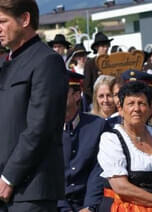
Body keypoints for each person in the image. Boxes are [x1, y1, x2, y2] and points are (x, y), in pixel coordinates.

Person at [0, 0, 68, 211]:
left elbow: (39, 128)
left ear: (25, 19)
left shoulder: (47, 62)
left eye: (2, 21)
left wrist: (9, 178)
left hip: (31, 190)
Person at [97, 81, 152, 211]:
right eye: (131, 103)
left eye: (142, 103)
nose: (136, 109)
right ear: (120, 109)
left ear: (150, 109)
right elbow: (121, 187)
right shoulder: (111, 139)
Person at [58, 71, 106, 212]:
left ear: (77, 95)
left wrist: (90, 206)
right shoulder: (46, 129)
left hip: (90, 203)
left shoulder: (98, 126)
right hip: (57, 204)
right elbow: (47, 174)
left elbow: (99, 170)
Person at [84, 32, 113, 105]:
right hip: (96, 102)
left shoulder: (113, 62)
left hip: (112, 100)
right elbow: (87, 87)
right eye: (103, 46)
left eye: (107, 46)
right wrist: (97, 100)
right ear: (96, 48)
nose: (106, 48)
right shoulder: (90, 63)